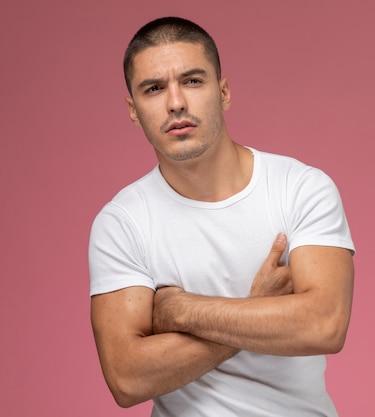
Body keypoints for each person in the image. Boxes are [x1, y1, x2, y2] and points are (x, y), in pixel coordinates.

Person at [88, 16, 355, 417]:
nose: (175, 102)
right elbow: (127, 379)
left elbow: (324, 324)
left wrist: (182, 311)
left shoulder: (300, 187)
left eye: (193, 81)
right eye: (154, 88)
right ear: (132, 109)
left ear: (224, 91)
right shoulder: (122, 222)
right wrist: (258, 306)